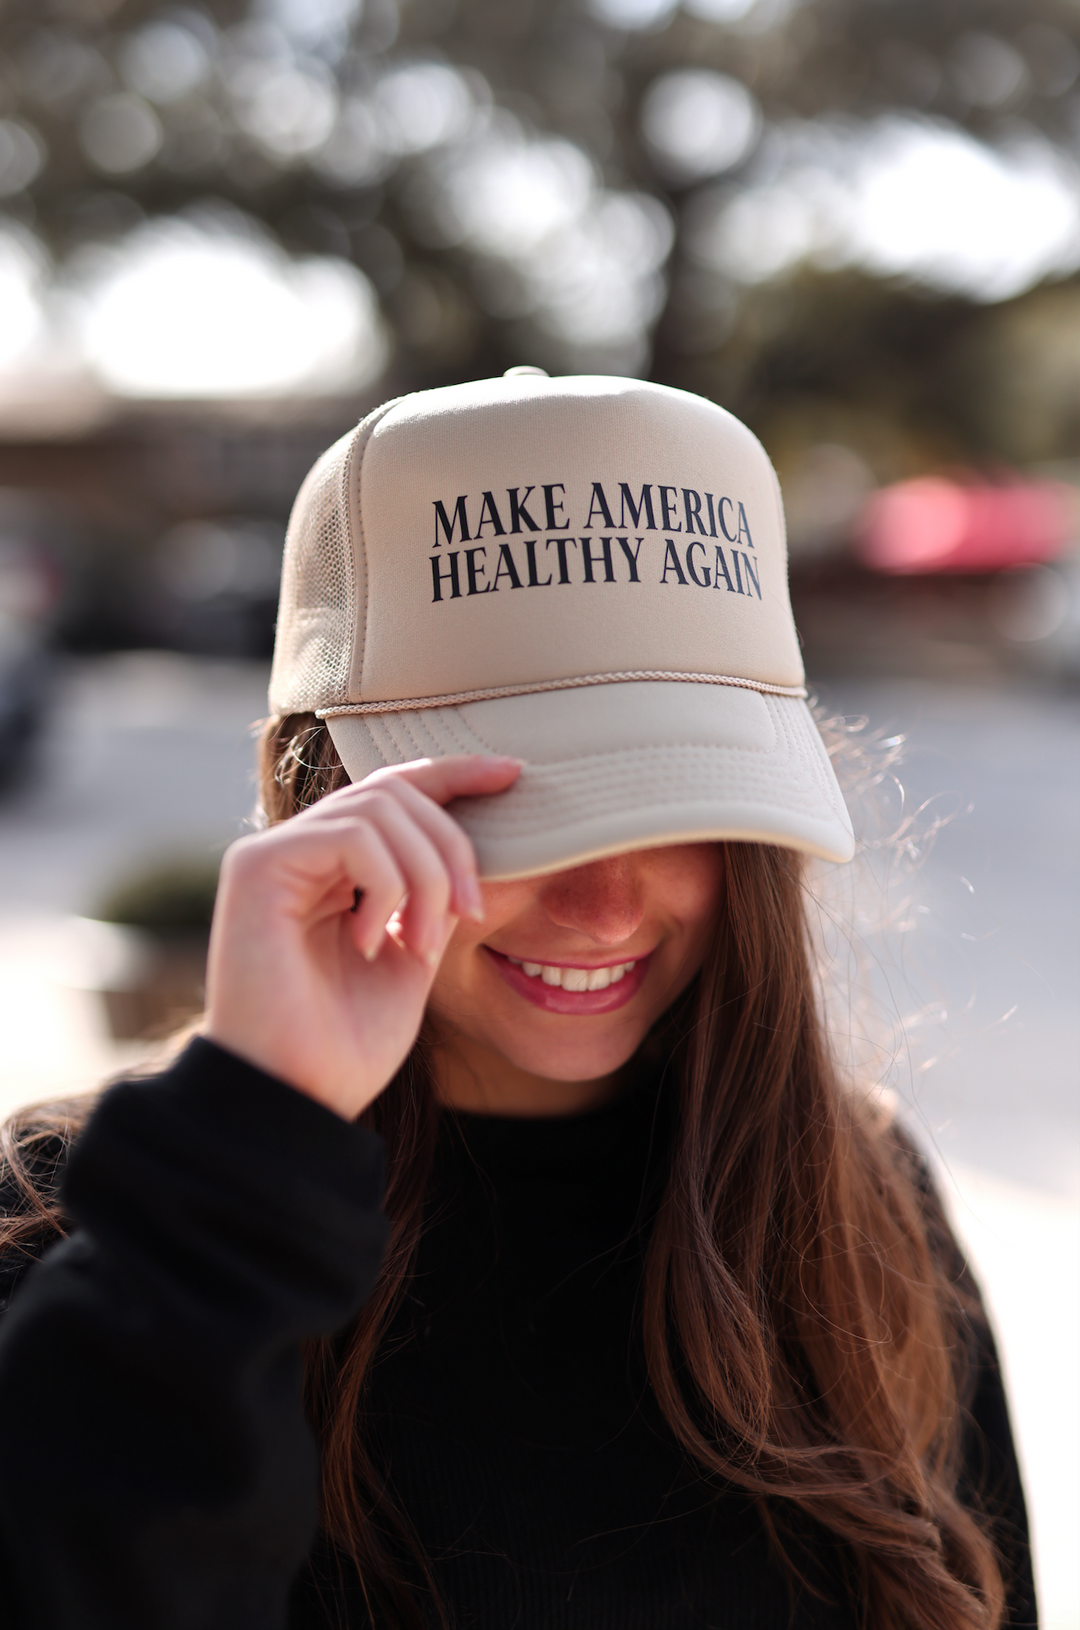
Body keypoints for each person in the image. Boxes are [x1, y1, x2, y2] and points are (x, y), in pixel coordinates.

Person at [0, 372, 1035, 1629]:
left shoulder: (857, 1202)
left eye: (675, 796)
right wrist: (247, 1157)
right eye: (524, 804)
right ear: (321, 787)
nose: (605, 905)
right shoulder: (79, 1230)